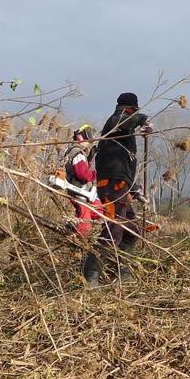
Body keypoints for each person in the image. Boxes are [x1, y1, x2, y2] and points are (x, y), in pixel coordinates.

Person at [83, 92, 152, 286]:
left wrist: (136, 190)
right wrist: (143, 120)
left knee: (131, 232)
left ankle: (120, 272)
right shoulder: (115, 122)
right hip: (112, 186)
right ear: (130, 109)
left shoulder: (124, 135)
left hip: (122, 187)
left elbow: (124, 166)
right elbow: (123, 121)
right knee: (113, 229)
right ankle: (91, 274)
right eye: (135, 112)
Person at [62, 124, 101, 236]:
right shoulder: (77, 153)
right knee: (84, 223)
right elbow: (82, 173)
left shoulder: (75, 152)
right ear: (80, 138)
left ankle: (73, 226)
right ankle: (78, 239)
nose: (88, 144)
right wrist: (94, 175)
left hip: (82, 191)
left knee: (99, 210)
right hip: (79, 190)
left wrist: (89, 158)